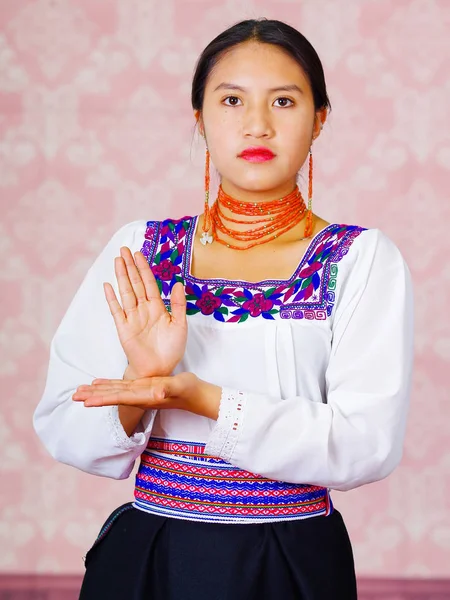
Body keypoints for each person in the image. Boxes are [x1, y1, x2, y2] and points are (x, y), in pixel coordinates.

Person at [33, 17, 414, 600]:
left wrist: (195, 396)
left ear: (320, 119)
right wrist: (144, 378)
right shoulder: (141, 249)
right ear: (199, 118)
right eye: (231, 99)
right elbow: (66, 426)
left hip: (291, 559)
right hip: (150, 558)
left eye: (284, 101)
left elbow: (365, 445)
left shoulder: (359, 259)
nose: (256, 123)